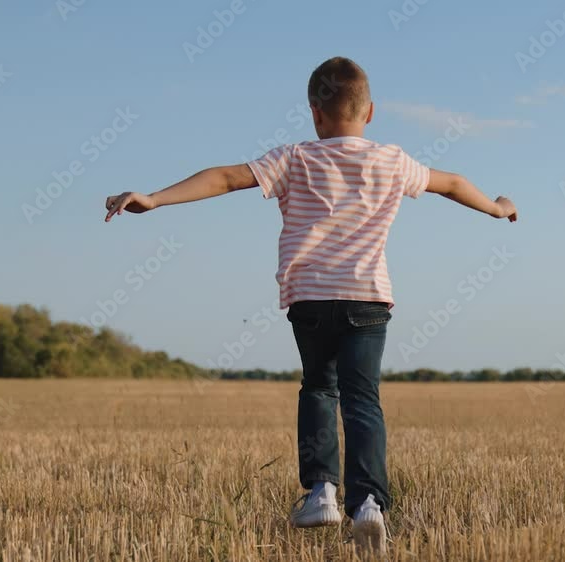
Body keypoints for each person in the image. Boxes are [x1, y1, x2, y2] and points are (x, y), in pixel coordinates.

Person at [104, 56, 517, 556]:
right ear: (370, 112)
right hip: (367, 298)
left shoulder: (296, 157)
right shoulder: (391, 160)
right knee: (363, 399)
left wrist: (154, 198)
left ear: (315, 113)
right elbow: (451, 183)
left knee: (320, 387)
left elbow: (226, 178)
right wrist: (497, 208)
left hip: (310, 297)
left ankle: (321, 491)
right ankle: (369, 504)